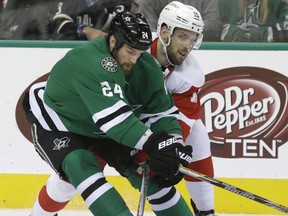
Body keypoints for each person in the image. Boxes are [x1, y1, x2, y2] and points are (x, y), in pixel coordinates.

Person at [25, 11, 193, 216]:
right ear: (113, 41)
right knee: (79, 165)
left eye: (140, 52)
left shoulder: (146, 67)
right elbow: (116, 123)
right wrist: (157, 144)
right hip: (61, 118)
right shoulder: (90, 61)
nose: (135, 59)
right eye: (130, 51)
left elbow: (162, 113)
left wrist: (174, 145)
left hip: (105, 123)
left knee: (151, 174)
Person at [147, 2, 216, 215]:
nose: (188, 45)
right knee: (75, 169)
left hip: (153, 121)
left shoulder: (190, 75)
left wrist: (172, 148)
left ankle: (205, 211)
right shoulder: (134, 48)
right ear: (165, 32)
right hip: (115, 117)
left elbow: (182, 119)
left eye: (193, 39)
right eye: (183, 36)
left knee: (197, 133)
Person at [49, 0, 140, 40]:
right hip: (66, 48)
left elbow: (118, 24)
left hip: (104, 51)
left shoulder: (121, 1)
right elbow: (59, 25)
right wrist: (86, 30)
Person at [135, 0, 222, 41]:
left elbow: (213, 24)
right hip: (160, 48)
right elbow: (146, 28)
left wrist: (183, 26)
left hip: (197, 48)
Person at [219, 0, 288, 42]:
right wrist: (233, 33)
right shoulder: (226, 2)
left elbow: (285, 31)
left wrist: (260, 34)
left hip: (268, 56)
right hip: (232, 54)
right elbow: (215, 27)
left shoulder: (279, 2)